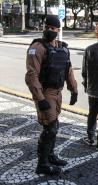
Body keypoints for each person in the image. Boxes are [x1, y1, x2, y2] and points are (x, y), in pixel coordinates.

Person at [25, 15, 78, 175]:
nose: (49, 30)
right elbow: (31, 75)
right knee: (51, 127)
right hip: (45, 92)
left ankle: (50, 155)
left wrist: (74, 90)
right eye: (47, 27)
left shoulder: (62, 48)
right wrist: (40, 99)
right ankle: (42, 164)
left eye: (52, 28)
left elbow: (68, 70)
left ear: (58, 30)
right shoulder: (37, 47)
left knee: (54, 126)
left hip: (58, 92)